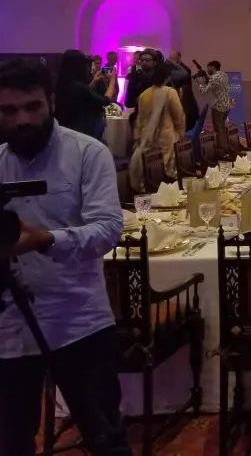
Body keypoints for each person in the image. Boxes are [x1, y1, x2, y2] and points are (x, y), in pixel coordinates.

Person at [0, 58, 130, 456]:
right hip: (9, 326)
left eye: (32, 107)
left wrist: (44, 240)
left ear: (51, 102)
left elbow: (107, 229)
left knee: (106, 438)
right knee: (10, 441)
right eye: (9, 111)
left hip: (79, 321)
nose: (22, 120)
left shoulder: (87, 153)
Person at [133, 62, 185, 184]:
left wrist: (139, 138)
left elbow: (140, 119)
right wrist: (181, 135)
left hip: (147, 137)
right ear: (167, 77)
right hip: (166, 138)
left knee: (151, 169)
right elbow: (179, 117)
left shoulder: (144, 94)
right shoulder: (170, 93)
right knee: (166, 173)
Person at [55, 50, 113, 140]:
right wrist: (112, 80)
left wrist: (94, 81)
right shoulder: (78, 86)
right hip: (81, 132)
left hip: (66, 130)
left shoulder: (62, 84)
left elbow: (83, 93)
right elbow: (105, 101)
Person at [196, 61, 231, 154]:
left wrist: (201, 83)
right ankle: (226, 147)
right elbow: (216, 87)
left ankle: (222, 150)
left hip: (218, 107)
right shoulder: (224, 75)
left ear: (213, 67)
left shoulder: (214, 78)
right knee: (223, 128)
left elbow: (204, 91)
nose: (207, 70)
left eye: (208, 67)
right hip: (226, 105)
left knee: (218, 129)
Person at [166, 52, 199, 131]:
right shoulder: (180, 70)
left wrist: (174, 62)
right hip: (187, 111)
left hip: (185, 113)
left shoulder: (176, 72)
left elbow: (186, 73)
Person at [123, 49, 156, 118]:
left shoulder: (159, 78)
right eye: (142, 60)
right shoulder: (134, 76)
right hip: (139, 113)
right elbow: (128, 102)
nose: (144, 62)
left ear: (154, 62)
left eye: (147, 60)